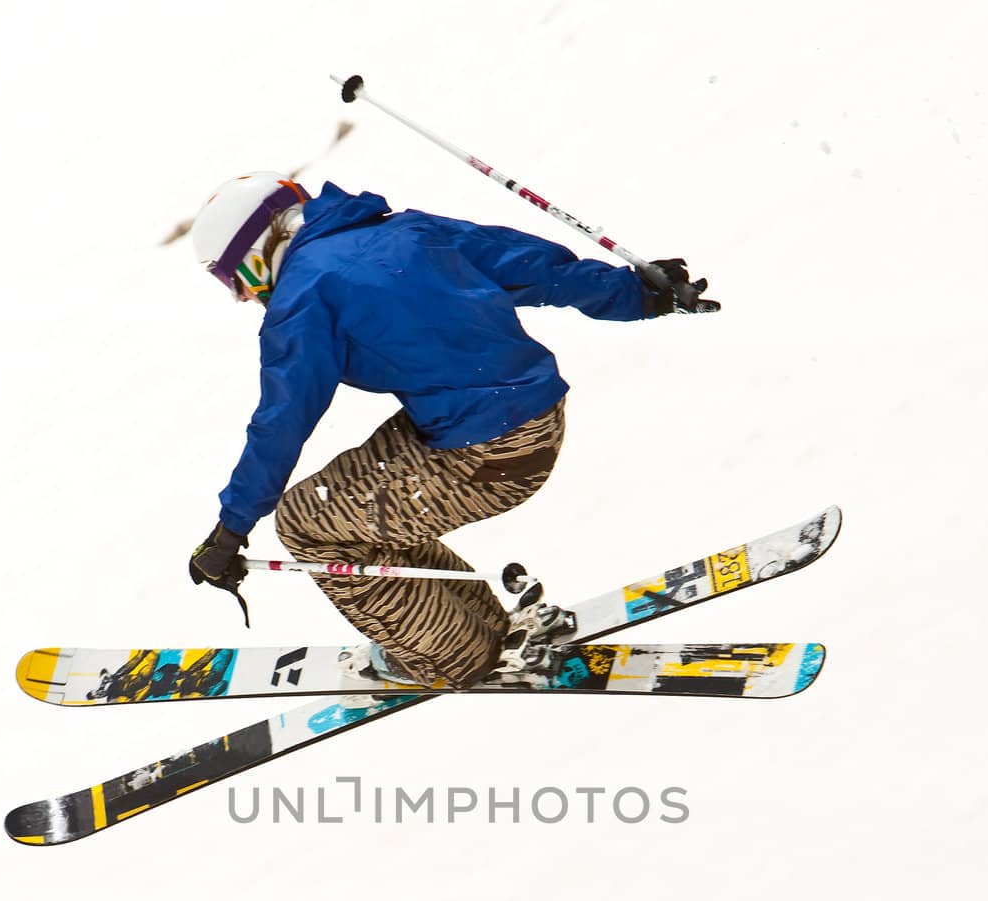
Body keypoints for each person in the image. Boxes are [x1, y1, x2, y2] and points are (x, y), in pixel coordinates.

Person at [188, 171, 717, 686]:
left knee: (309, 527)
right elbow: (526, 264)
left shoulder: (302, 299)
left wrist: (231, 528)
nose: (239, 295)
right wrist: (638, 294)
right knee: (341, 507)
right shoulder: (403, 229)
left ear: (258, 249)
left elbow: (282, 421)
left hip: (487, 454)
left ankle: (454, 655)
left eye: (231, 277)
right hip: (524, 417)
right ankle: (476, 628)